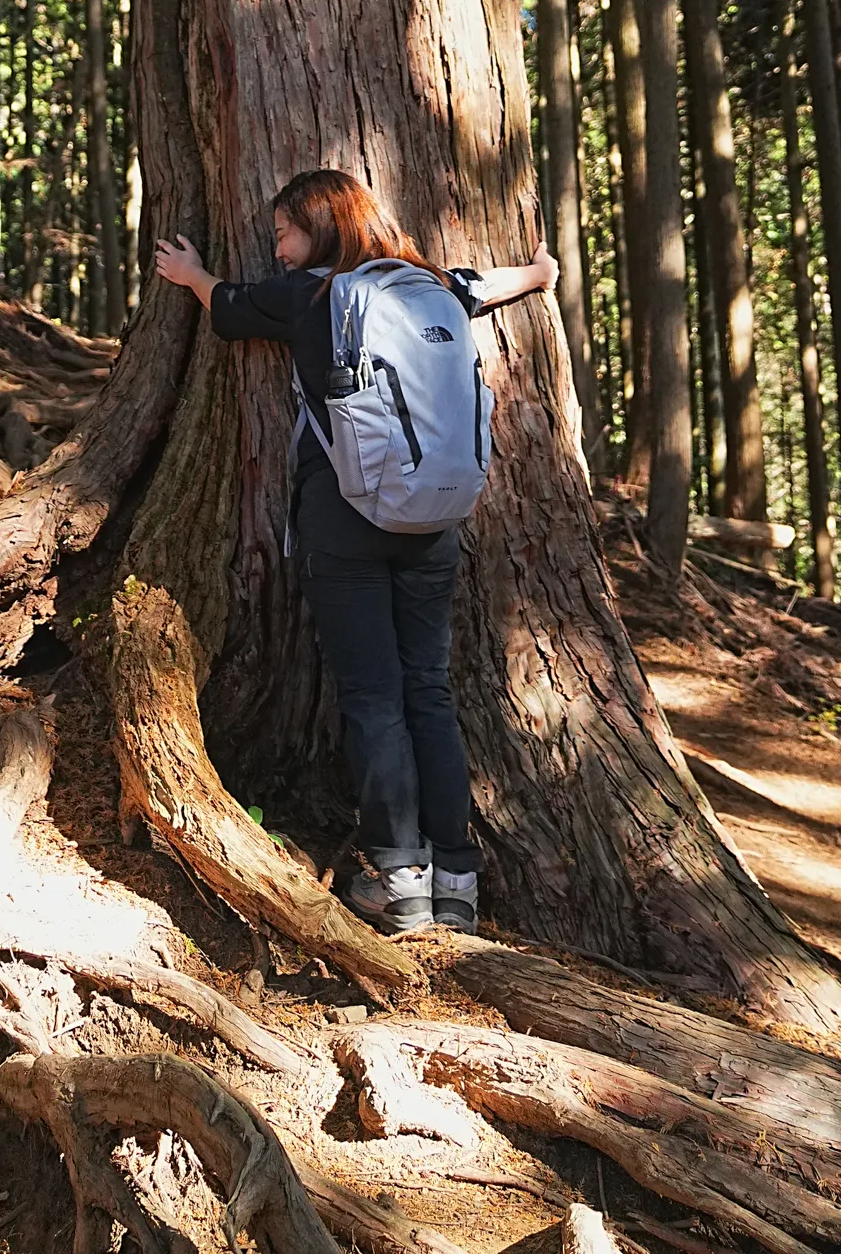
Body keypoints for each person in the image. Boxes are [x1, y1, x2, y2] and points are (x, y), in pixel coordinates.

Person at [155, 167, 556, 937]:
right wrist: (540, 274)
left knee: (373, 698)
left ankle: (399, 880)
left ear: (322, 227)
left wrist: (193, 274)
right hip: (437, 520)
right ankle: (457, 881)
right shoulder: (436, 285)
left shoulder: (310, 294)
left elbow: (229, 311)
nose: (276, 249)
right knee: (427, 692)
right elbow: (491, 285)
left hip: (346, 521)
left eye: (284, 233)